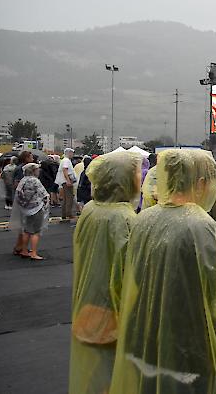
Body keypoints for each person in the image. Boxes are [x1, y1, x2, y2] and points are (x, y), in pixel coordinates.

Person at [109, 149, 216, 394]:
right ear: (198, 182)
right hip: (189, 337)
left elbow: (126, 277)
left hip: (143, 332)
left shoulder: (143, 219)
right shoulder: (201, 226)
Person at [69, 151, 141, 394]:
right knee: (116, 375)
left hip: (89, 305)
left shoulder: (91, 210)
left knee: (98, 372)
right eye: (136, 175)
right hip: (113, 312)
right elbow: (132, 272)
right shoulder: (125, 218)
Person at [11, 163, 49, 260]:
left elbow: (18, 194)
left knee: (27, 230)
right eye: (37, 169)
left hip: (25, 208)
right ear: (33, 171)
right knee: (36, 231)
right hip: (36, 208)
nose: (39, 171)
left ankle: (24, 250)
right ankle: (34, 253)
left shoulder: (23, 180)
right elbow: (44, 194)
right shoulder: (36, 181)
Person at [55, 148, 77, 221]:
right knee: (69, 198)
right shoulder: (66, 161)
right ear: (69, 153)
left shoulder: (64, 160)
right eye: (72, 153)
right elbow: (65, 169)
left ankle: (64, 214)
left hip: (64, 181)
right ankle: (68, 214)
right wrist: (68, 180)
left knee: (65, 199)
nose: (73, 155)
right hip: (67, 181)